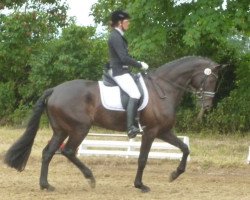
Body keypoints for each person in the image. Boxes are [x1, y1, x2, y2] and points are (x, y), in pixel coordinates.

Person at [107, 10, 149, 139]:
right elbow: (124, 58)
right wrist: (139, 64)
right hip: (119, 72)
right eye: (126, 21)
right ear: (120, 23)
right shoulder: (115, 36)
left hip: (123, 70)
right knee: (135, 94)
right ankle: (131, 127)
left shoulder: (119, 36)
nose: (128, 24)